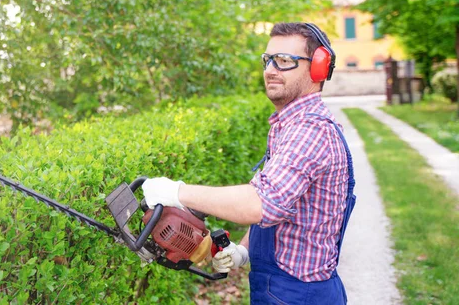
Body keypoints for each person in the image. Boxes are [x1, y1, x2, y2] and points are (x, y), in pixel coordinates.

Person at [142, 22, 356, 304]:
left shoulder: (309, 131)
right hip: (281, 288)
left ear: (318, 67)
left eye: (284, 61)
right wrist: (243, 251)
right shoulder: (288, 125)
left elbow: (261, 203)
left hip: (298, 296)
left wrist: (176, 191)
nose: (270, 70)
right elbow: (283, 204)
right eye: (268, 60)